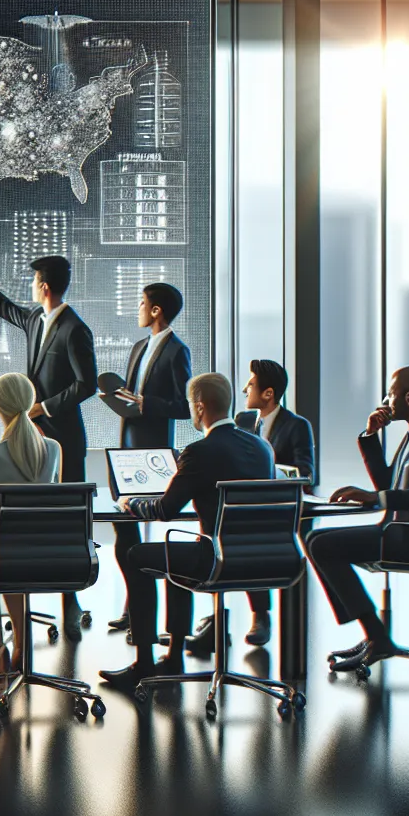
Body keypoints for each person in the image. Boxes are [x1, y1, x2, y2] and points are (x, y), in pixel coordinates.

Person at [98, 372, 274, 689]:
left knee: (137, 555)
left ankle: (144, 662)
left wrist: (131, 503)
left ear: (200, 407)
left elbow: (165, 510)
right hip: (261, 561)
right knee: (176, 556)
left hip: (215, 560)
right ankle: (174, 656)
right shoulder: (263, 449)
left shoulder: (199, 451)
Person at [0, 250, 96, 625]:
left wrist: (43, 407)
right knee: (24, 517)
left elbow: (87, 384)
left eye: (33, 281)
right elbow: (6, 309)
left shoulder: (75, 329)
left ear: (44, 286)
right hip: (30, 431)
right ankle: (21, 579)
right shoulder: (36, 319)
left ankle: (70, 600)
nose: (30, 286)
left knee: (65, 523)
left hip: (63, 436)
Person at [305, 365, 409, 672]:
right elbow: (387, 484)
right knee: (315, 540)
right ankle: (374, 634)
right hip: (399, 531)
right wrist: (370, 436)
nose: (386, 401)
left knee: (321, 545)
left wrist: (376, 498)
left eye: (391, 393)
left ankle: (376, 635)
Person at [172, 357, 317, 652]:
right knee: (220, 529)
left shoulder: (296, 426)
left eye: (250, 385)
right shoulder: (243, 426)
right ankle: (218, 621)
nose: (244, 391)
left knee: (235, 537)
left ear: (268, 393)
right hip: (238, 512)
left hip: (275, 513)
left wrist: (270, 474)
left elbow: (306, 473)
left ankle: (258, 615)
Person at [0, 373, 62, 677]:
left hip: (4, 558)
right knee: (6, 552)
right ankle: (20, 640)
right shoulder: (53, 449)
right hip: (48, 555)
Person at [105, 282, 192, 634]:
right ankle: (135, 605)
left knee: (143, 527)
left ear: (156, 310)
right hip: (128, 447)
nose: (138, 309)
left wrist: (146, 404)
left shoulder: (177, 351)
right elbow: (133, 397)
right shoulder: (139, 347)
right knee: (125, 527)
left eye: (142, 303)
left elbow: (185, 407)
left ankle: (144, 614)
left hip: (153, 454)